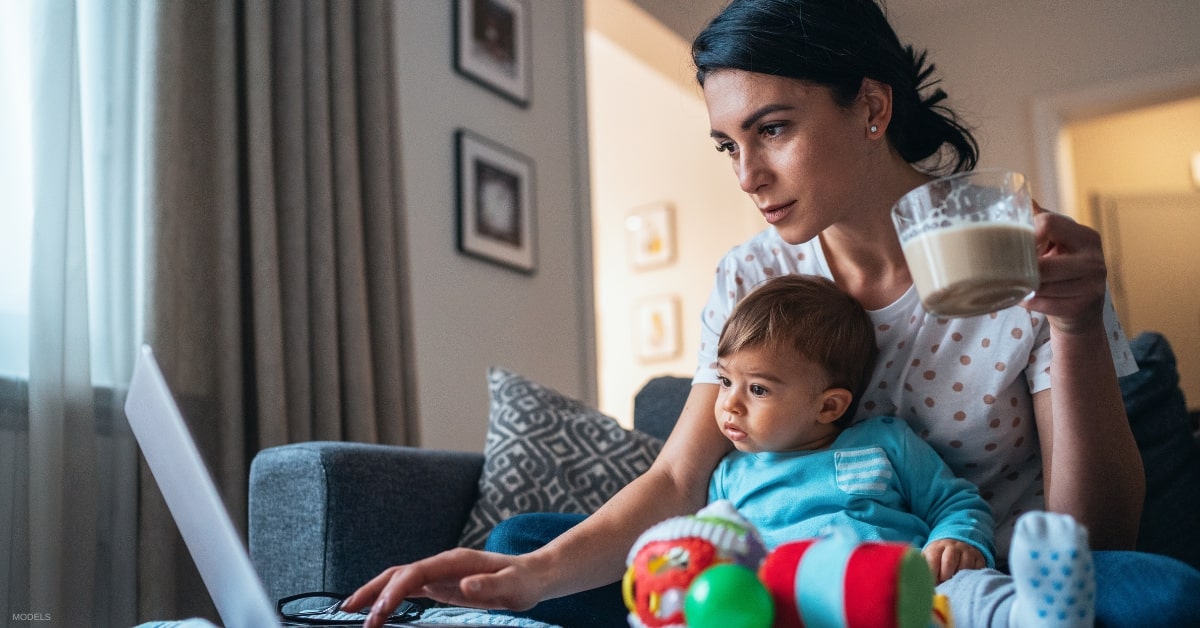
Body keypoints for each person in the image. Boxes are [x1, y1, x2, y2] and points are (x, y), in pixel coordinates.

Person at [344, 1, 1200, 626]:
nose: (745, 174)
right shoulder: (754, 274)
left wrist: (1078, 324)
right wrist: (524, 574)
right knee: (530, 540)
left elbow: (1096, 533)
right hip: (786, 574)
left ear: (870, 107)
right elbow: (680, 482)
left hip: (975, 586)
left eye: (773, 129)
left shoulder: (1024, 250)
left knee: (1161, 595)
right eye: (728, 143)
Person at [705, 273, 1092, 627]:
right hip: (804, 607)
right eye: (724, 380)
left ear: (829, 407)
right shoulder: (729, 477)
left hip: (909, 594)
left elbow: (955, 503)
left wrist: (957, 541)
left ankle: (1034, 614)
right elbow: (719, 553)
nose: (729, 404)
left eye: (757, 389)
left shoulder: (885, 442)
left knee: (966, 592)